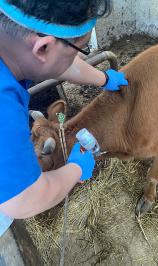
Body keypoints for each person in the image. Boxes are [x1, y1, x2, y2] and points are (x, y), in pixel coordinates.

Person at [0, 0, 128, 231]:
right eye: (80, 50)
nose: (77, 58)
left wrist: (105, 79)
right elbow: (23, 200)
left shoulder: (12, 45)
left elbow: (62, 64)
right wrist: (76, 168)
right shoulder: (4, 107)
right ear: (43, 48)